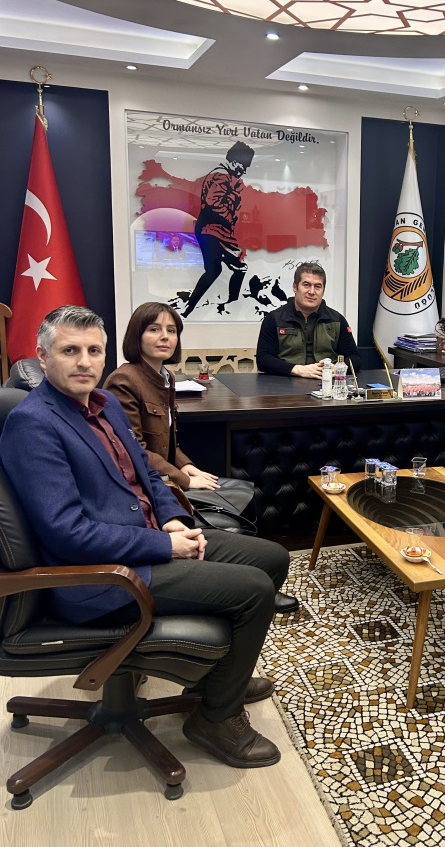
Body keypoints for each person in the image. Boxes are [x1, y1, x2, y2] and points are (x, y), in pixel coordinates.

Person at [0, 305, 291, 769]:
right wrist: (165, 545)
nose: (85, 362)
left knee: (272, 559)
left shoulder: (105, 403)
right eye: (70, 351)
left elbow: (149, 476)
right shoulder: (33, 423)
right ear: (42, 356)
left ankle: (216, 680)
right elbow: (68, 533)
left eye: (94, 351)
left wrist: (173, 518)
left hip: (148, 536)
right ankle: (215, 719)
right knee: (254, 591)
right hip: (100, 575)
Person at [104, 301, 298, 614]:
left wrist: (188, 465)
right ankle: (238, 584)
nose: (164, 337)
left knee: (247, 491)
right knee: (235, 497)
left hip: (169, 474)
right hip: (153, 486)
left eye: (171, 330)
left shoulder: (165, 376)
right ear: (137, 336)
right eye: (154, 329)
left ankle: (258, 581)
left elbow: (168, 441)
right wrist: (183, 479)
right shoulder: (124, 380)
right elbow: (134, 451)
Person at [182, 141, 255, 318]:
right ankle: (232, 307)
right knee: (238, 268)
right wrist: (230, 218)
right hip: (213, 230)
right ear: (234, 162)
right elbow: (214, 203)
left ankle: (188, 309)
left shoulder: (223, 176)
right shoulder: (222, 177)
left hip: (211, 230)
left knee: (215, 270)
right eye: (243, 166)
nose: (244, 171)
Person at [256, 262, 361, 379]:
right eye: (306, 285)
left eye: (317, 286)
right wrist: (297, 369)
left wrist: (337, 368)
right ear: (295, 287)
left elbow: (355, 358)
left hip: (327, 382)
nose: (311, 292)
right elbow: (263, 360)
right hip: (287, 382)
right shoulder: (274, 319)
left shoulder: (337, 320)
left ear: (323, 290)